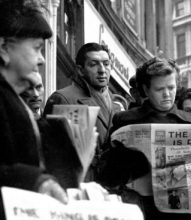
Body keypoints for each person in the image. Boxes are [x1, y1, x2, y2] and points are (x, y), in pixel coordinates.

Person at [107, 57, 191, 220]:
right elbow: (109, 173)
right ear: (146, 90)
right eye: (159, 89)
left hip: (182, 210)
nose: (167, 94)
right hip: (141, 207)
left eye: (171, 87)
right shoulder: (125, 121)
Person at [0, 1, 67, 217]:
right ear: (4, 49)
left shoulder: (13, 99)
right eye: (36, 48)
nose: (42, 59)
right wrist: (36, 180)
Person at [44, 43, 121, 181]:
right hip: (82, 183)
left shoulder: (118, 104)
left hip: (111, 186)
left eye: (106, 63)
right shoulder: (64, 98)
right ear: (80, 70)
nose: (102, 70)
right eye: (94, 64)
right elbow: (53, 156)